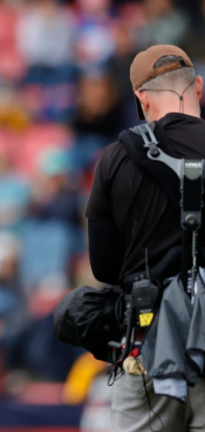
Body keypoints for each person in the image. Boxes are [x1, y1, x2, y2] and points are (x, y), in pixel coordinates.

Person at [85, 45, 205, 431]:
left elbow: (104, 268)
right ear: (198, 88)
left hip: (148, 341)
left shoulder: (116, 157)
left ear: (141, 99)